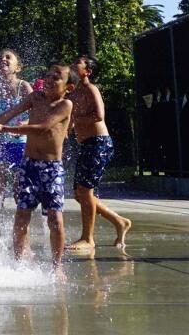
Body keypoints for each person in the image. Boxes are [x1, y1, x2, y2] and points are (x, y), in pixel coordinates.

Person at [0, 63, 73, 266]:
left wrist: (4, 129)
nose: (49, 80)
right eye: (47, 75)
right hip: (29, 165)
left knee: (55, 219)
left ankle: (57, 267)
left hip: (51, 169)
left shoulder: (65, 105)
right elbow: (11, 112)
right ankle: (19, 264)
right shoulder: (35, 98)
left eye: (56, 77)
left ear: (69, 87)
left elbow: (43, 128)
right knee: (22, 216)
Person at [67, 56, 132, 252]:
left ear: (87, 72)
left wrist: (75, 119)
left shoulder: (90, 89)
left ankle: (88, 239)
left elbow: (98, 115)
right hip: (87, 145)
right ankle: (119, 221)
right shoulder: (73, 93)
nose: (73, 63)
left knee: (85, 192)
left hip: (99, 144)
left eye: (78, 62)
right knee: (80, 194)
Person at [0, 49, 33, 203]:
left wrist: (26, 123)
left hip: (21, 143)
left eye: (8, 57)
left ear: (18, 68)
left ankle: (21, 224)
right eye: (0, 57)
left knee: (19, 191)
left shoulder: (23, 87)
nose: (3, 59)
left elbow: (39, 113)